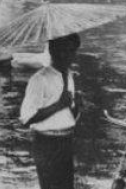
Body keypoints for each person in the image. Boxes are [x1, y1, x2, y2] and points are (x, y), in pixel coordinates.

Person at [20, 33, 81, 189]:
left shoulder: (69, 75)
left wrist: (77, 107)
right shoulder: (39, 79)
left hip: (66, 141)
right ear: (55, 51)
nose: (72, 56)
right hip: (46, 143)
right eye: (67, 51)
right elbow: (27, 118)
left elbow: (68, 117)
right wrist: (58, 105)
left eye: (74, 51)